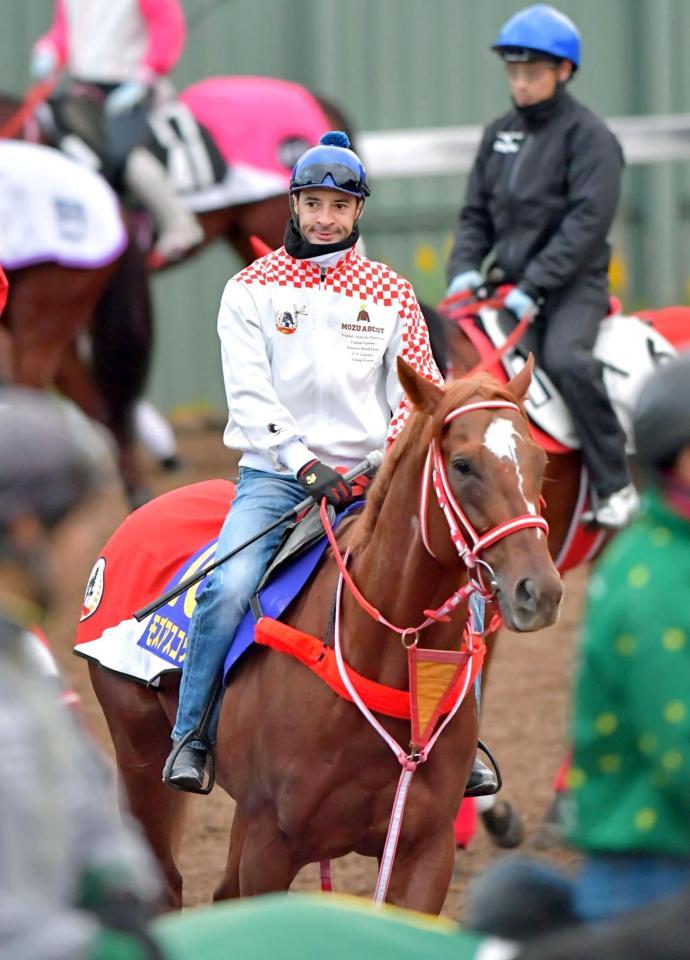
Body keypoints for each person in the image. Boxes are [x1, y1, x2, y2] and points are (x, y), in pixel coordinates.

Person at [162, 130, 498, 794]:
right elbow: (250, 393)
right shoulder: (249, 289)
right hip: (276, 479)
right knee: (227, 586)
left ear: (358, 214)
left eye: (339, 207)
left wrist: (382, 461)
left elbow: (418, 390)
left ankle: (464, 738)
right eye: (313, 203)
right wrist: (303, 463)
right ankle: (192, 736)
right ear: (294, 204)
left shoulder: (392, 292)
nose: (325, 218)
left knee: (467, 595)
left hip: (374, 483)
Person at [464, 351, 690, 939]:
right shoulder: (661, 582)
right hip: (658, 872)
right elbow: (681, 744)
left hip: (569, 291)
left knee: (574, 355)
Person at [446, 4, 637, 528]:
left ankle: (615, 482)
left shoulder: (591, 138)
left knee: (568, 359)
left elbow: (586, 224)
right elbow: (475, 214)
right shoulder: (499, 134)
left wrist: (535, 284)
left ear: (564, 71)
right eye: (514, 73)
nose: (521, 84)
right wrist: (463, 267)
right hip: (502, 287)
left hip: (571, 287)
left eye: (532, 73)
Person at [0, 386, 165, 960]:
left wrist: (119, 880)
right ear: (26, 533)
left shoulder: (23, 656)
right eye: (84, 528)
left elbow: (83, 795)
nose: (96, 550)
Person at [31, 0, 203, 265]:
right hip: (84, 90)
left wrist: (145, 75)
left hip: (131, 88)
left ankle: (179, 223)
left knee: (123, 151)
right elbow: (65, 31)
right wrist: (50, 48)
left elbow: (168, 27)